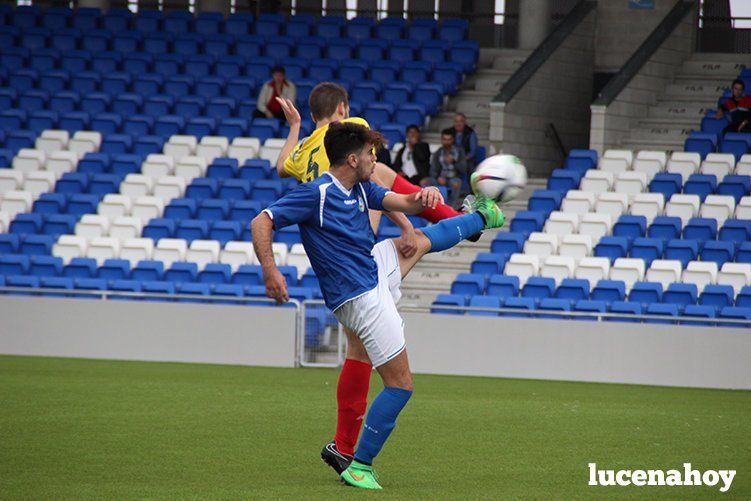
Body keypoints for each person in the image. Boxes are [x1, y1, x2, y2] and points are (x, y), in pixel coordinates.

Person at [251, 121, 505, 489]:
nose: (376, 158)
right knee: (400, 385)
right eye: (371, 153)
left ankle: (482, 217)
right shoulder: (316, 194)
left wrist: (427, 195)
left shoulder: (361, 187)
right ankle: (360, 465)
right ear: (352, 159)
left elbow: (403, 202)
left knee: (416, 241)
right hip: (360, 298)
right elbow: (263, 220)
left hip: (371, 270)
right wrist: (270, 271)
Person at [427, 128, 467, 207]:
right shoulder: (438, 152)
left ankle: (451, 207)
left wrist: (454, 162)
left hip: (454, 177)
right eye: (445, 139)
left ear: (453, 140)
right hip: (440, 178)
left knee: (456, 183)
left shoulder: (459, 151)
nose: (447, 142)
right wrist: (438, 177)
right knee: (425, 182)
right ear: (441, 140)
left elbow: (464, 168)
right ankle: (433, 207)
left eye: (449, 139)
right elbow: (432, 170)